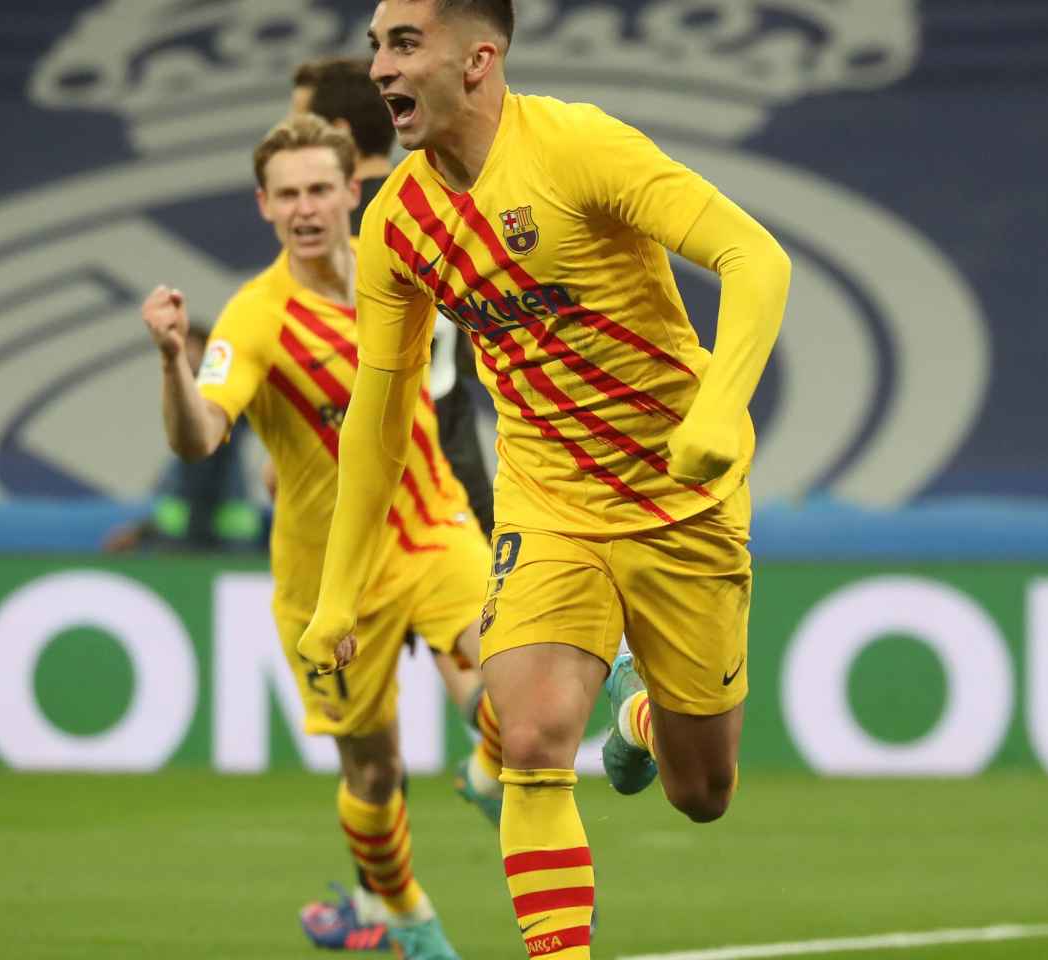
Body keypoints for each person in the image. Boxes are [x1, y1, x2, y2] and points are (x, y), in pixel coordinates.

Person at [295, 2, 792, 957]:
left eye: (404, 44)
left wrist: (721, 405)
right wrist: (339, 593)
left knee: (703, 793)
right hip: (548, 500)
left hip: (678, 497)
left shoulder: (578, 147)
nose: (382, 69)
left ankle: (643, 715)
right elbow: (378, 417)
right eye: (375, 47)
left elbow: (754, 257)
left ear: (478, 58)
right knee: (527, 743)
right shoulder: (398, 221)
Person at [138, 113, 502, 960]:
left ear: (352, 191)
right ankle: (405, 915)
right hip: (328, 581)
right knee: (373, 775)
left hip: (432, 527)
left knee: (512, 684)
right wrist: (170, 364)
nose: (305, 208)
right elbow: (199, 437)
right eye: (287, 194)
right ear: (264, 205)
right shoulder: (254, 319)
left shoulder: (398, 265)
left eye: (318, 190)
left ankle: (492, 770)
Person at [291, 55, 495, 539]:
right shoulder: (439, 198)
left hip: (378, 441)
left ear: (338, 133)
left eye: (303, 128)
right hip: (454, 436)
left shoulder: (328, 228)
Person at [103, 324, 263, 553]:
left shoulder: (227, 401)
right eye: (181, 349)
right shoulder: (179, 400)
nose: (186, 355)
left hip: (221, 540)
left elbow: (205, 471)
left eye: (192, 348)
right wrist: (142, 531)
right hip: (183, 538)